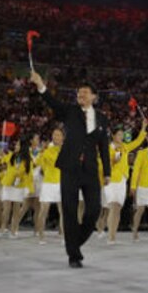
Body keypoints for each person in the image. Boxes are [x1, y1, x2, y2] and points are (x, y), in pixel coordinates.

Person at [28, 71, 111, 268]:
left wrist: (107, 172)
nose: (80, 95)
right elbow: (52, 102)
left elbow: (104, 147)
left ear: (94, 96)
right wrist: (40, 85)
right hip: (69, 168)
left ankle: (73, 243)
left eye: (85, 93)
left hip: (90, 170)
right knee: (70, 211)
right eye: (79, 93)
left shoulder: (102, 118)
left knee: (94, 210)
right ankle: (73, 255)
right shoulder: (70, 112)